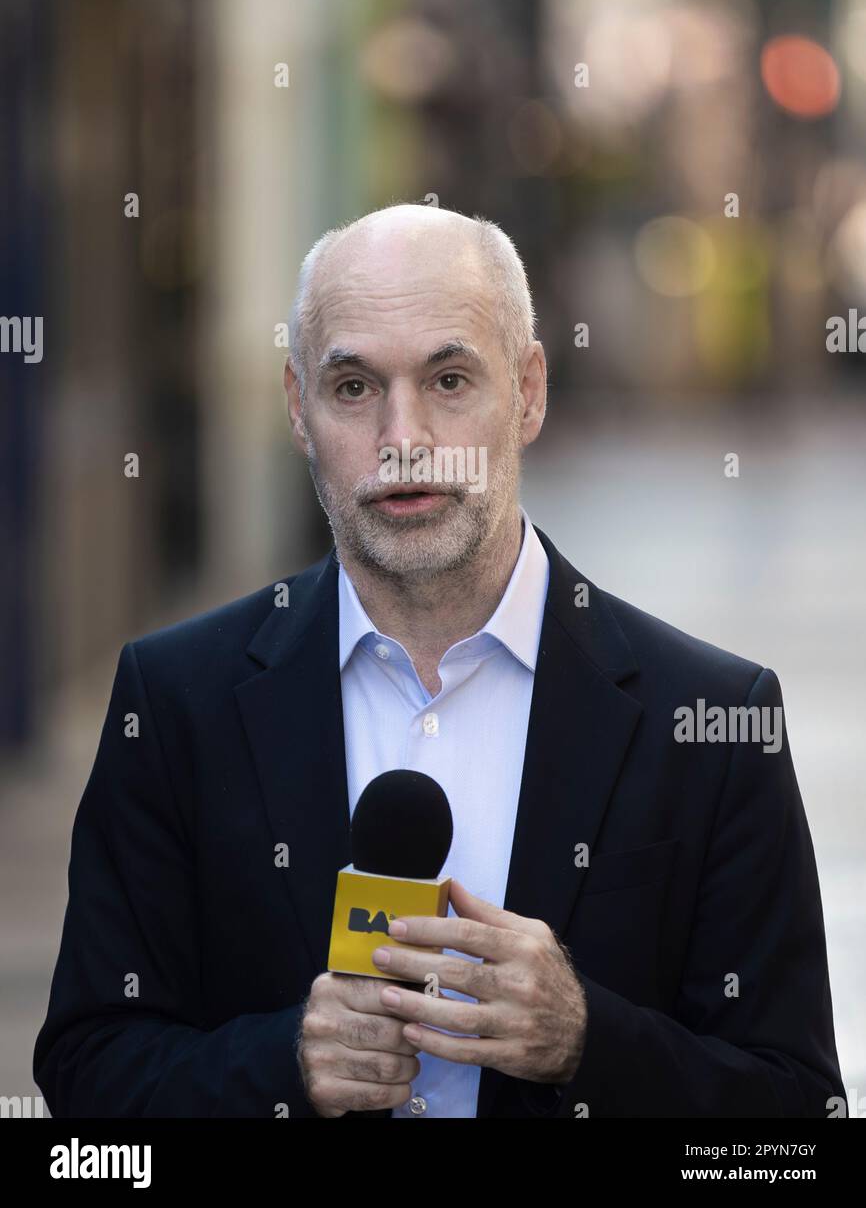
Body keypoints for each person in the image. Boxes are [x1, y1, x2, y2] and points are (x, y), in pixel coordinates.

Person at [34, 204, 845, 1118]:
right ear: (298, 409)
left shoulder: (713, 721)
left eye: (450, 378)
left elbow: (791, 1133)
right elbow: (88, 1076)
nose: (403, 437)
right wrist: (280, 1067)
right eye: (352, 388)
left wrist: (588, 1039)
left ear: (530, 392)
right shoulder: (174, 702)